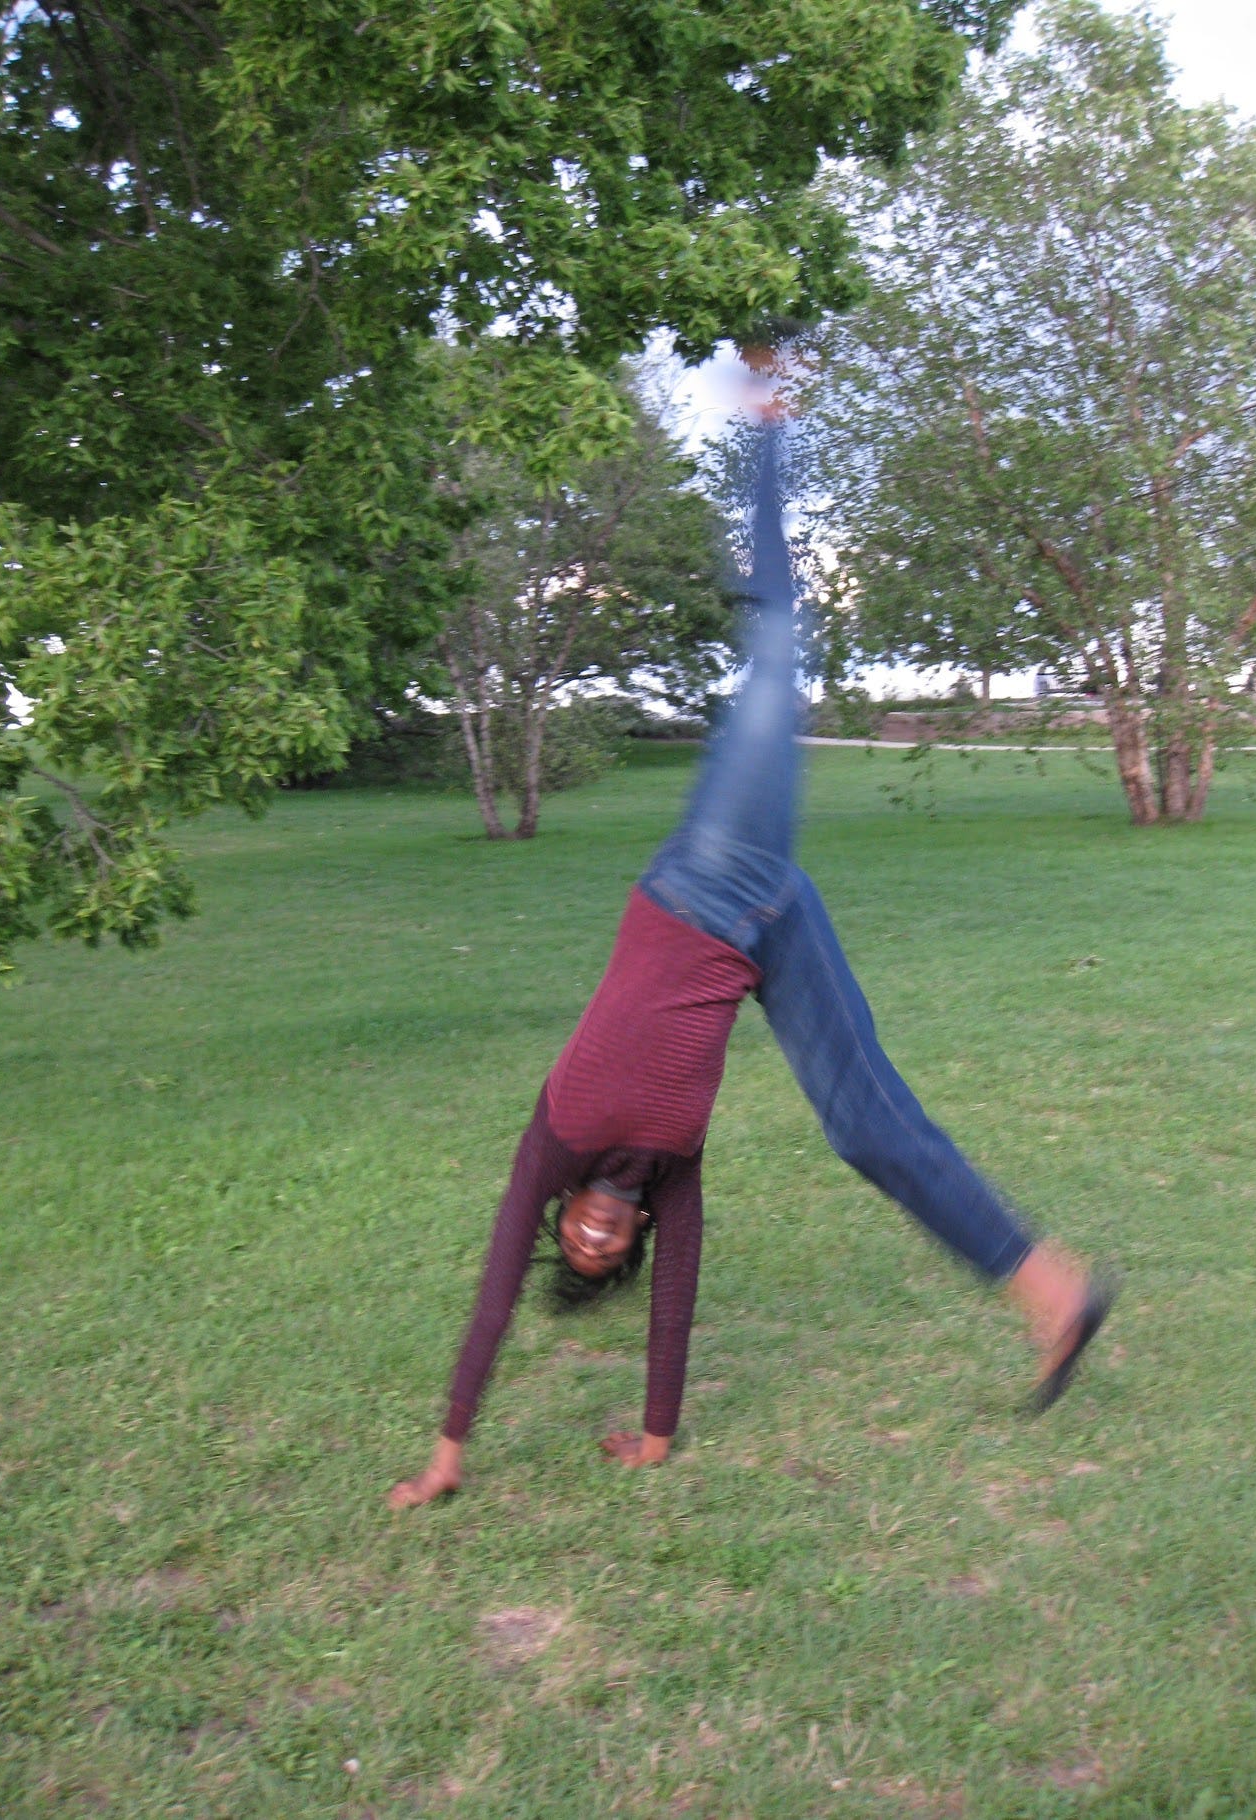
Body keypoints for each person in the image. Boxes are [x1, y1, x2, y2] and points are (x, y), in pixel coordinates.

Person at [389, 352, 1111, 1508]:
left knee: (772, 651)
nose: (592, 1234)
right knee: (864, 1128)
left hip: (705, 875)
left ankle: (768, 429)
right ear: (622, 1245)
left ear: (560, 1214)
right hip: (764, 927)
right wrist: (659, 1435)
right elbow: (675, 1302)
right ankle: (1050, 1289)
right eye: (602, 1252)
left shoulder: (552, 1146)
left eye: (573, 1236)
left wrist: (447, 1452)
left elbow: (486, 1300)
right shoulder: (669, 1180)